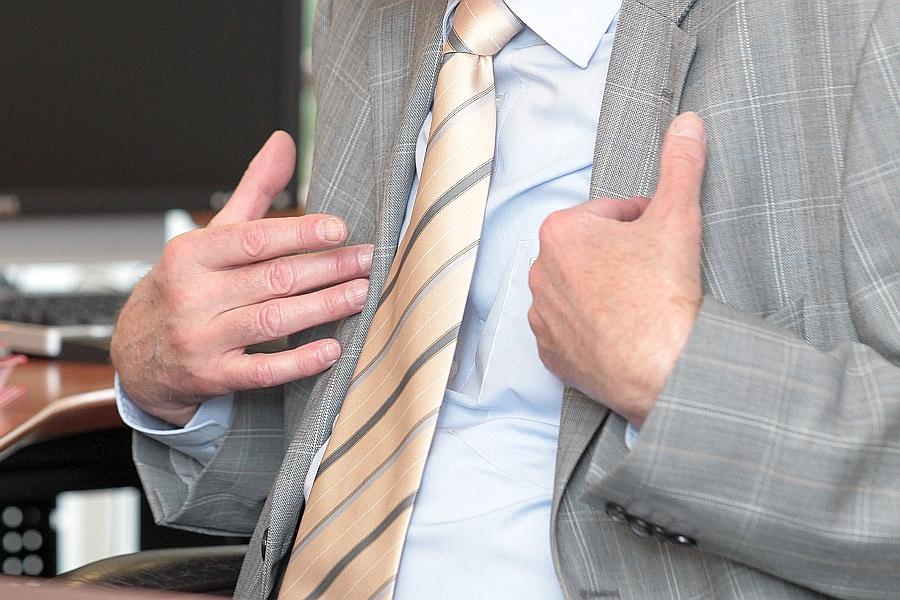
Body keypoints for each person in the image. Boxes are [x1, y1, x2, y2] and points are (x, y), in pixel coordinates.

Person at [111, 0, 900, 598]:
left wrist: (674, 373)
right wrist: (170, 384)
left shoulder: (858, 26)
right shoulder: (372, 17)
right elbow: (354, 462)